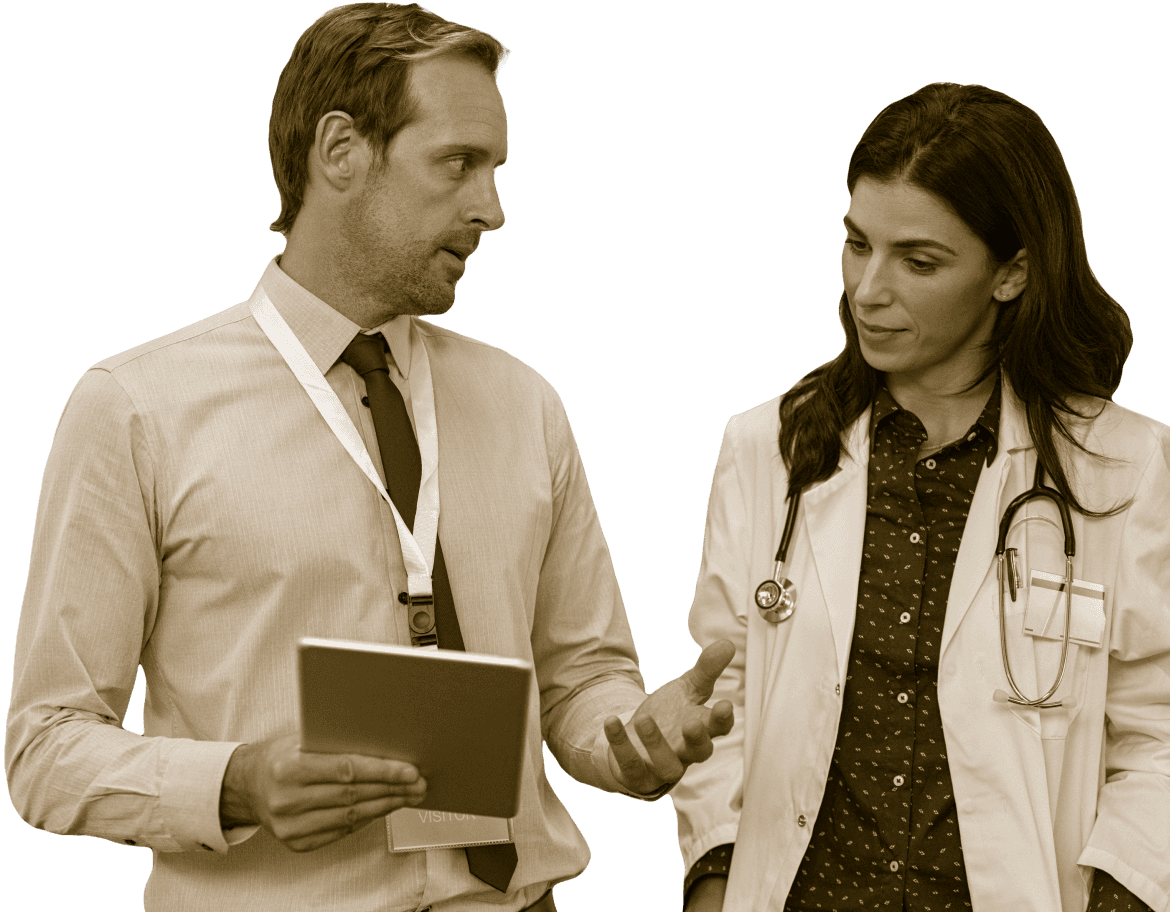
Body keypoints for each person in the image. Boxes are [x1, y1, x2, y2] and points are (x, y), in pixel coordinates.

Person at [5, 5, 734, 911]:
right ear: (340, 150)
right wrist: (235, 780)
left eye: (496, 170)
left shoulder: (525, 404)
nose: (494, 210)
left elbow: (582, 679)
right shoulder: (136, 409)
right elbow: (44, 749)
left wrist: (631, 737)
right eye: (460, 163)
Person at [670, 83, 1170, 912]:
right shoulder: (769, 448)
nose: (869, 289)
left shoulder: (1125, 466)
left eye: (919, 261)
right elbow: (725, 701)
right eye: (857, 244)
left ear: (1012, 273)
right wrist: (714, 884)